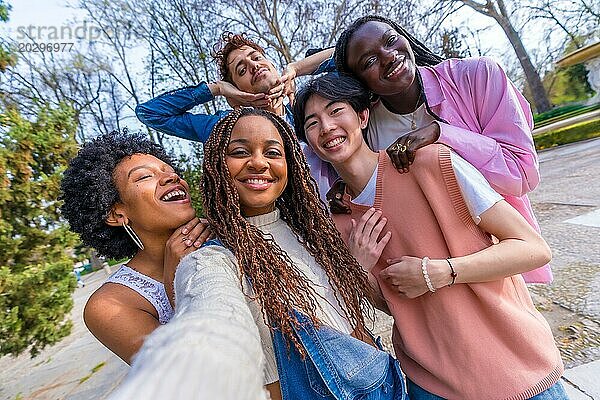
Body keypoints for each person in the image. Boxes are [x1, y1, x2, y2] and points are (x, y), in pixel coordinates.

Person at [293, 74, 568, 400]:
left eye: (336, 110)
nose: (326, 127)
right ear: (308, 142)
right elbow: (393, 305)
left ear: (363, 116)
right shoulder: (337, 221)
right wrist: (359, 269)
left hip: (517, 368)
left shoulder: (432, 163)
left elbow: (533, 248)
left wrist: (441, 271)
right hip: (433, 385)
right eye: (312, 123)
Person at [107, 108, 406, 400]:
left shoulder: (313, 230)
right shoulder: (210, 258)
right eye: (239, 152)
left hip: (387, 383)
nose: (259, 162)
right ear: (216, 166)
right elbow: (212, 310)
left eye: (273, 152)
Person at [330, 15, 551, 283]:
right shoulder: (367, 127)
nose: (388, 56)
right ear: (358, 82)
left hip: (500, 254)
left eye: (390, 40)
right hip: (426, 270)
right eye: (369, 61)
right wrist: (345, 189)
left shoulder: (478, 76)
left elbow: (522, 174)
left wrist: (440, 134)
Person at [60, 132, 210, 364]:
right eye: (144, 177)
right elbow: (187, 372)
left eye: (170, 170)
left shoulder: (227, 236)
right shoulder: (109, 306)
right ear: (117, 214)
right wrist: (175, 280)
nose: (172, 177)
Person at [135, 32, 338, 200]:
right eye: (241, 70)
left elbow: (353, 52)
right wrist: (216, 89)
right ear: (237, 94)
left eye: (257, 57)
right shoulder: (225, 128)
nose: (253, 65)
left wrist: (296, 68)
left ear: (273, 66)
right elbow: (150, 113)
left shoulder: (308, 107)